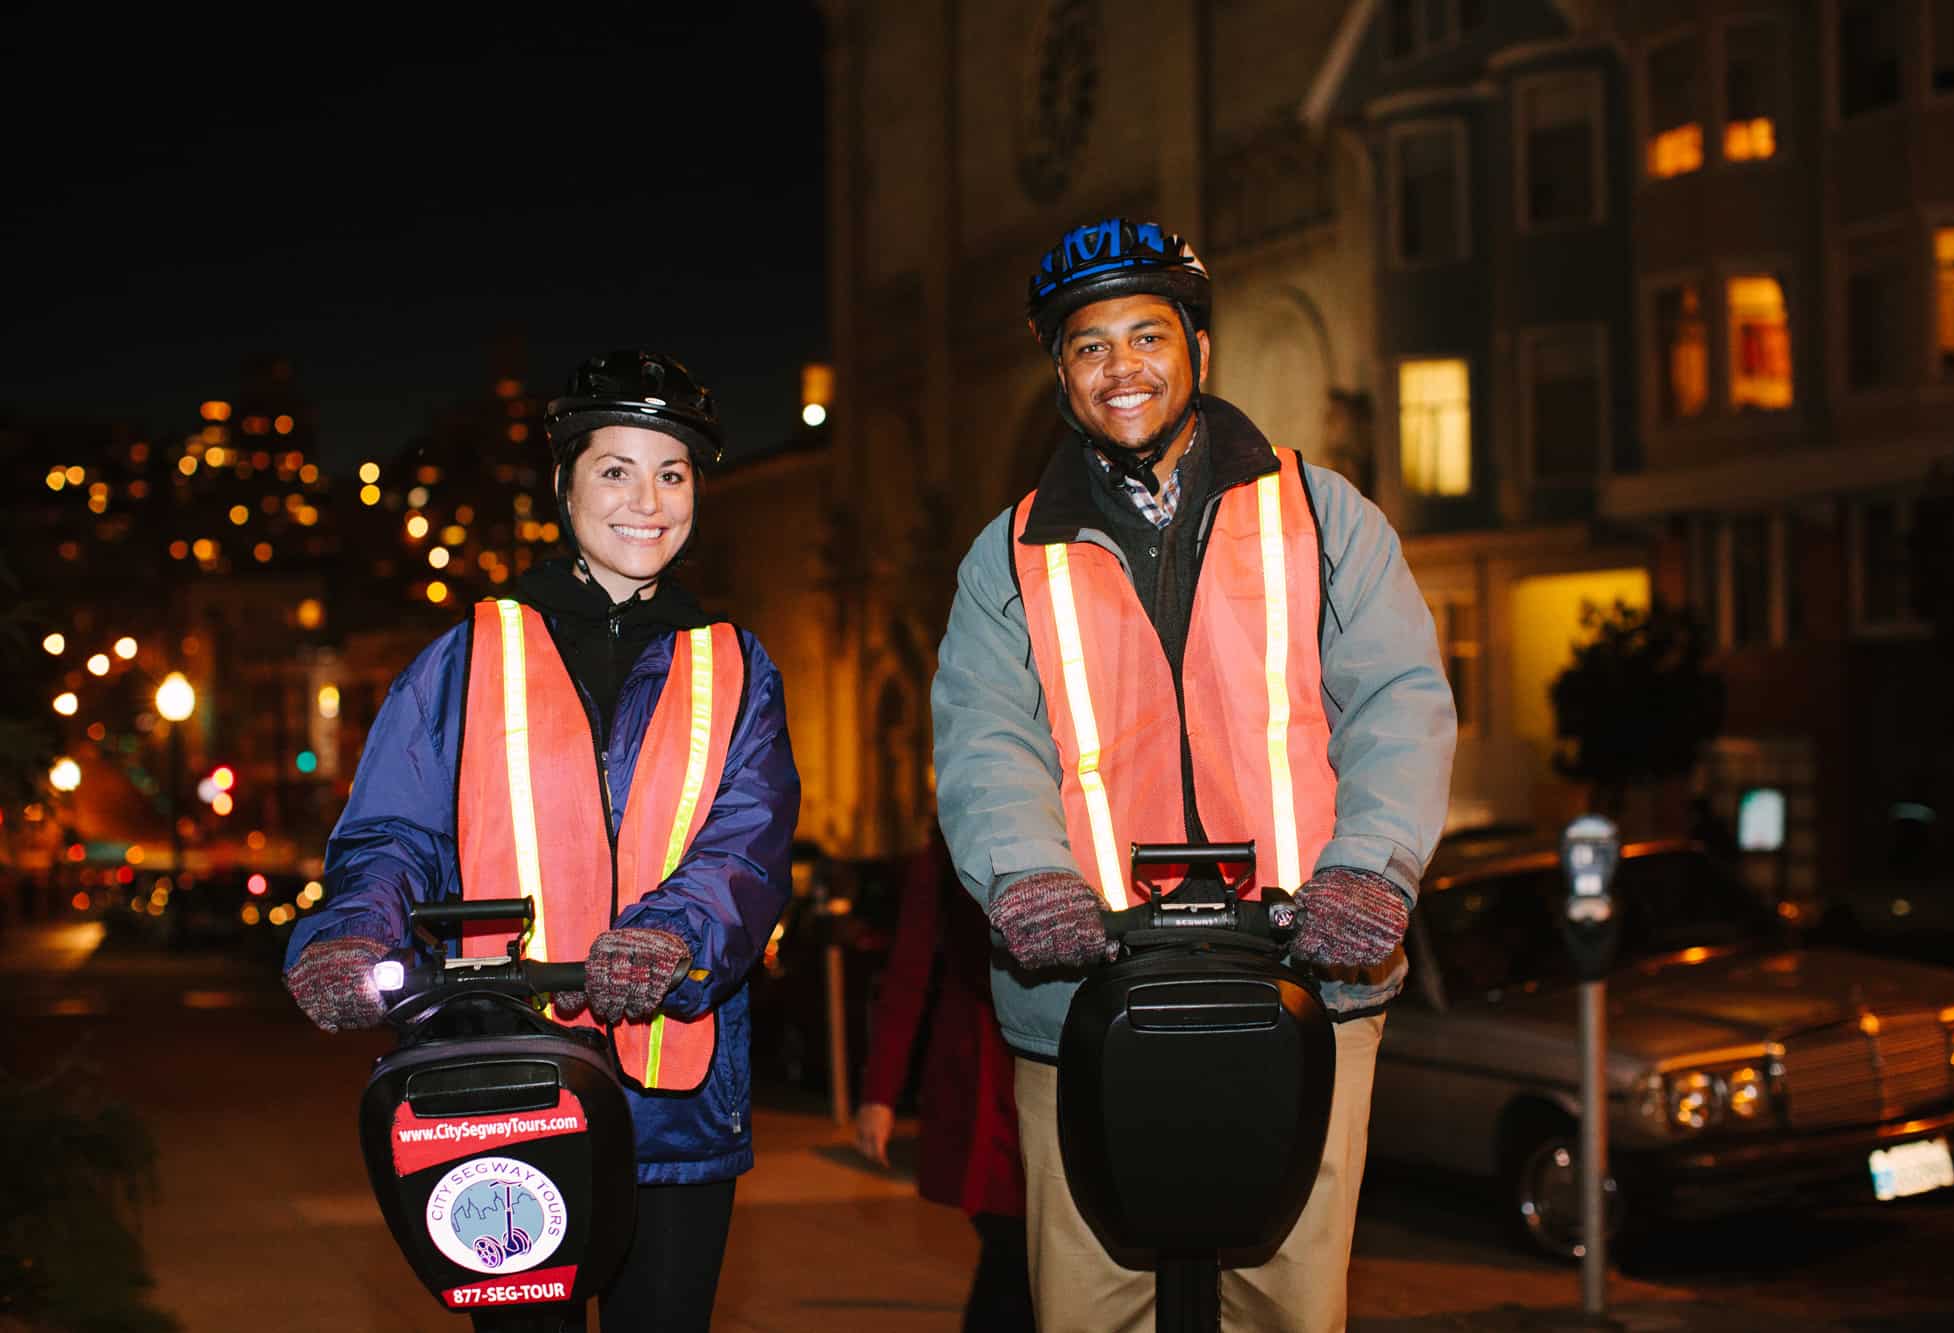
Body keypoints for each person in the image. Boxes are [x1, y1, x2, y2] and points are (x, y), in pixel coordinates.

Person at [930, 219, 1457, 1333]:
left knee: (1285, 1302)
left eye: (1146, 334)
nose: (1121, 368)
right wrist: (1025, 879)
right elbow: (984, 738)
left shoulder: (1323, 515)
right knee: (1091, 1305)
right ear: (1059, 373)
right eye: (1088, 346)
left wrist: (1369, 873)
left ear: (1199, 352)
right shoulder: (1009, 552)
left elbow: (1399, 701)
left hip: (1303, 977)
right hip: (1078, 988)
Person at [282, 348, 801, 1333]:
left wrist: (668, 940)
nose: (645, 500)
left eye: (672, 473)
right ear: (562, 487)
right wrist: (351, 937)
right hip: (501, 1071)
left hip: (673, 1094)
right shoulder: (468, 654)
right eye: (615, 470)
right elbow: (394, 829)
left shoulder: (737, 664)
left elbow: (748, 842)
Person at [853, 825, 1035, 1333]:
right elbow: (910, 967)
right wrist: (879, 1095)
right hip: (984, 1079)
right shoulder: (953, 834)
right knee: (1012, 1254)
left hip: (1064, 1065)